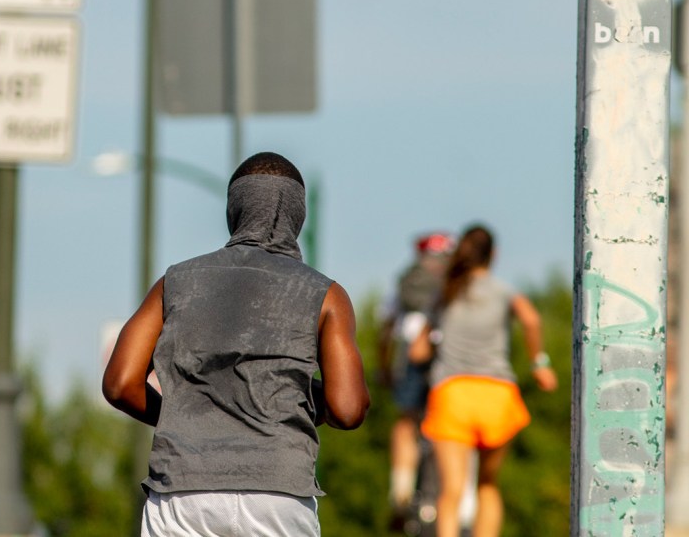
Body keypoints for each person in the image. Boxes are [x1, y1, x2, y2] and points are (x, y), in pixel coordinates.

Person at [102, 151, 370, 537]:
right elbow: (347, 410)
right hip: (279, 489)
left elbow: (119, 383)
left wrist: (183, 419)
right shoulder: (326, 295)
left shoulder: (175, 283)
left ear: (234, 213)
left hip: (182, 489)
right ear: (298, 218)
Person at [408, 224, 557, 537]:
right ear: (495, 254)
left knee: (451, 491)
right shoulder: (504, 291)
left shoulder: (445, 292)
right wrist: (539, 363)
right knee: (488, 485)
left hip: (453, 394)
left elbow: (418, 351)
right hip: (496, 394)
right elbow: (531, 319)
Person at [377, 231, 454, 512]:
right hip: (443, 356)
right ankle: (440, 492)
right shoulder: (452, 283)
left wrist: (383, 367)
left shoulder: (406, 283)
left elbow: (386, 328)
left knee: (406, 418)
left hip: (406, 354)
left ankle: (401, 487)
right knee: (442, 423)